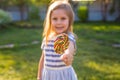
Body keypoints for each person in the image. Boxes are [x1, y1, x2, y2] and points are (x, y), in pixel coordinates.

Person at [37, 0, 77, 80]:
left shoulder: (68, 37)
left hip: (63, 76)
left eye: (63, 18)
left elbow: (70, 46)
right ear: (50, 20)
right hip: (48, 75)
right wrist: (39, 76)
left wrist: (68, 54)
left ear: (69, 21)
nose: (59, 22)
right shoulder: (47, 38)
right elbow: (43, 59)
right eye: (55, 19)